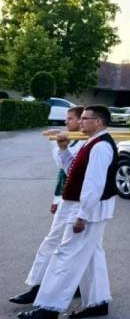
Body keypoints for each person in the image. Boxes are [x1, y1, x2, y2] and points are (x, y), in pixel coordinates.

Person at [20, 106, 117, 319]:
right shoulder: (91, 143)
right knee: (91, 258)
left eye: (85, 118)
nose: (80, 122)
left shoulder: (101, 147)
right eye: (80, 118)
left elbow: (94, 185)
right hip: (84, 207)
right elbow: (73, 170)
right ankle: (97, 303)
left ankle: (49, 308)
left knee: (65, 256)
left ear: (98, 122)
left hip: (89, 211)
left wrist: (82, 215)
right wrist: (63, 149)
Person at [10, 107, 86, 307]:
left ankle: (56, 290)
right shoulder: (72, 140)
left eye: (70, 119)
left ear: (81, 121)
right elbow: (62, 170)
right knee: (55, 241)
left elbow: (73, 169)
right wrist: (56, 198)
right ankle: (37, 286)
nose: (66, 123)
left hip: (81, 202)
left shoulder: (86, 143)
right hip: (67, 198)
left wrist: (63, 146)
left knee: (75, 248)